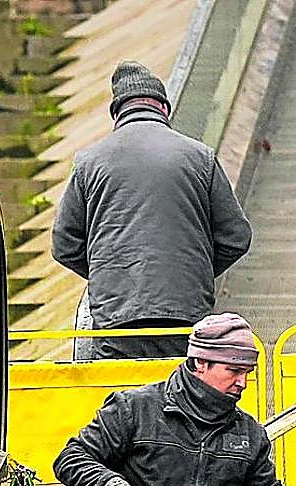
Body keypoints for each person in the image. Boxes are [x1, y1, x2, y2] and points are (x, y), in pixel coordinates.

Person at [52, 61, 252, 360]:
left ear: (117, 113)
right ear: (164, 108)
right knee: (181, 387)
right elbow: (236, 237)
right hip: (185, 314)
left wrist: (110, 274)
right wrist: (192, 273)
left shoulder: (88, 163)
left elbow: (64, 245)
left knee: (122, 389)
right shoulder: (201, 157)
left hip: (116, 320)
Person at [53, 313, 292, 486]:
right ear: (200, 362)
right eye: (234, 370)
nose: (243, 382)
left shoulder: (249, 433)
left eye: (247, 372)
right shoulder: (134, 409)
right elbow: (71, 458)